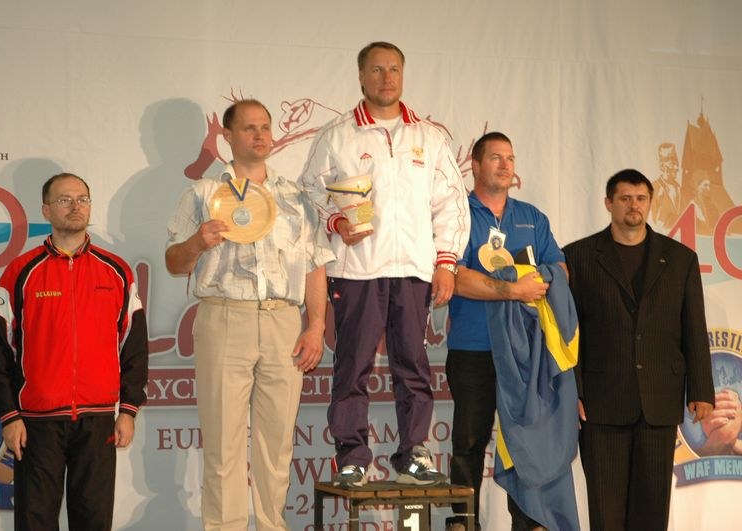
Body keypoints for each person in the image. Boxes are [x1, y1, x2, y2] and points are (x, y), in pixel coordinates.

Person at [299, 41, 470, 488]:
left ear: (403, 75)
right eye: (376, 70)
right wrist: (335, 220)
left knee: (412, 364)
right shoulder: (337, 136)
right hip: (357, 270)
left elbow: (450, 203)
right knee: (353, 365)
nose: (386, 78)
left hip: (413, 271)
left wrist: (446, 261)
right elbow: (309, 194)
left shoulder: (429, 138)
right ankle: (352, 455)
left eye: (394, 69)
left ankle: (413, 451)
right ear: (360, 76)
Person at [165, 99, 334, 530]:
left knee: (276, 446)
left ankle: (272, 525)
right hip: (224, 318)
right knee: (223, 445)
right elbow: (173, 262)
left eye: (265, 127)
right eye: (248, 128)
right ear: (227, 137)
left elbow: (315, 263)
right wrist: (198, 244)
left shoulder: (296, 196)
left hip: (283, 321)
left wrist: (315, 326)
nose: (259, 135)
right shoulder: (203, 193)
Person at [0, 172, 149, 531]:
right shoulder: (19, 272)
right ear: (46, 209)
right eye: (64, 200)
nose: (76, 207)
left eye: (83, 199)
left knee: (93, 520)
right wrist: (9, 416)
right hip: (36, 422)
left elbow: (134, 346)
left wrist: (130, 409)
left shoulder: (117, 271)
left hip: (98, 420)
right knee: (35, 521)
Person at [564, 169, 715, 531]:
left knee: (651, 510)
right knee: (606, 510)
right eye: (625, 198)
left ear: (650, 203)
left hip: (658, 402)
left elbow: (693, 328)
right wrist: (573, 391)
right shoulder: (578, 257)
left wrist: (701, 391)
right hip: (600, 405)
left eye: (641, 198)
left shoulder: (680, 258)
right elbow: (568, 335)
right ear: (608, 204)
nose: (634, 205)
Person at [444, 132, 569, 531]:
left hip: (526, 353)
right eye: (495, 157)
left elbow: (560, 271)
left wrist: (532, 276)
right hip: (474, 349)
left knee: (526, 444)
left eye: (510, 158)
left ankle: (529, 523)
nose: (505, 165)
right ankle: (464, 524)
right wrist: (514, 287)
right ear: (475, 166)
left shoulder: (532, 217)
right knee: (468, 445)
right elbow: (454, 278)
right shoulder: (456, 215)